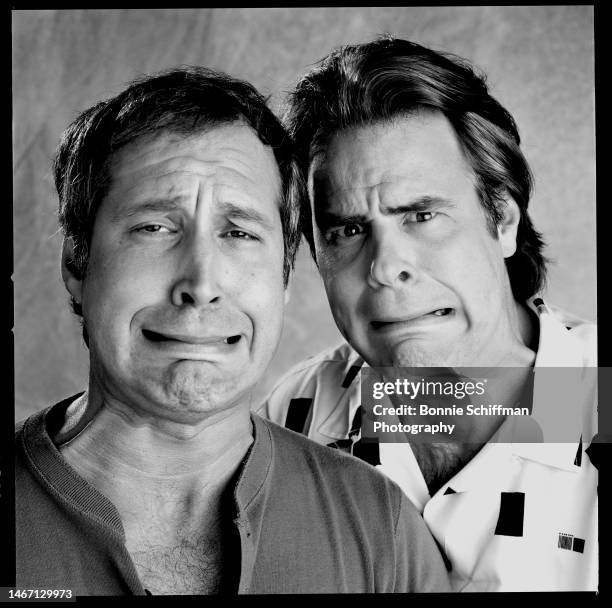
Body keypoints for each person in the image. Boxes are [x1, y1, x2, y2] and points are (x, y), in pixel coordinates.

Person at [14, 66, 452, 596]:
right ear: (77, 264)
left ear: (286, 277)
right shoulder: (319, 394)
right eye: (154, 228)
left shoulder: (381, 531)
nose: (201, 283)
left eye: (240, 232)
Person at [262, 37, 598, 592]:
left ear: (504, 221)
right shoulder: (292, 415)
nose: (385, 267)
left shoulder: (596, 401)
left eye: (421, 214)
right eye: (347, 230)